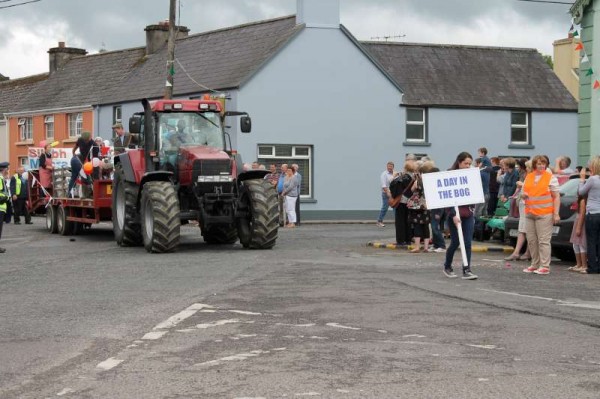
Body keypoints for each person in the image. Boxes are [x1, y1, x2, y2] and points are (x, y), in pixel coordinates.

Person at [521, 155, 561, 275]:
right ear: (534, 165)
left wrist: (556, 214)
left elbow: (556, 196)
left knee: (543, 241)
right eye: (539, 164)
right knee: (532, 240)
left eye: (544, 163)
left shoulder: (550, 178)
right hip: (530, 213)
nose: (542, 166)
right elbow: (525, 192)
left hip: (544, 213)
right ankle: (535, 264)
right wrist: (523, 196)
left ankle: (545, 266)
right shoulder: (529, 176)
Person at [443, 152, 478, 280]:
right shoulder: (450, 174)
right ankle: (447, 266)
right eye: (465, 163)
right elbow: (447, 197)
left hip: (467, 214)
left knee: (468, 242)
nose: (468, 166)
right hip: (455, 215)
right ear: (459, 162)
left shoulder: (471, 175)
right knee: (456, 242)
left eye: (469, 163)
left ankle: (467, 269)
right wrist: (452, 215)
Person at [505, 160, 532, 261]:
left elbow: (531, 190)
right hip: (522, 204)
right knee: (522, 229)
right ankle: (518, 252)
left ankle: (526, 253)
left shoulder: (533, 177)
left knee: (528, 230)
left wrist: (522, 185)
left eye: (528, 167)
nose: (526, 169)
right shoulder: (528, 176)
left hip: (528, 205)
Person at [578, 156, 600, 274]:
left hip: (592, 213)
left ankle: (592, 267)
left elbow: (581, 192)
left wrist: (582, 180)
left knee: (591, 241)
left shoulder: (593, 179)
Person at [406, 162, 433, 253]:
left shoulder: (417, 181)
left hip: (417, 207)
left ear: (421, 173)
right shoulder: (430, 182)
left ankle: (417, 247)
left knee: (417, 226)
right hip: (427, 207)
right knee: (426, 227)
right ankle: (426, 247)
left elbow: (412, 190)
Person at [394, 155, 417, 245]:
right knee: (408, 221)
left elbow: (395, 187)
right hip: (411, 202)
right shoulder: (415, 176)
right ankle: (408, 239)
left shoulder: (403, 177)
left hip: (402, 201)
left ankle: (400, 240)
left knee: (400, 221)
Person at [567, 193, 587, 273]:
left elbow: (582, 214)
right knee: (575, 244)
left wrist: (578, 227)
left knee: (581, 244)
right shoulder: (580, 201)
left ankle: (583, 265)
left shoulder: (582, 201)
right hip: (577, 223)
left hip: (580, 224)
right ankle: (579, 264)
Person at [429, 166, 446, 252]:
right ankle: (436, 245)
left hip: (438, 208)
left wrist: (439, 212)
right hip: (434, 208)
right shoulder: (435, 183)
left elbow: (440, 198)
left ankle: (442, 246)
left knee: (435, 228)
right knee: (433, 228)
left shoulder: (438, 184)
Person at [377, 161, 396, 227]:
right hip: (386, 193)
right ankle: (379, 221)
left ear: (393, 167)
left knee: (395, 207)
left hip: (394, 193)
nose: (390, 167)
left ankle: (398, 221)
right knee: (385, 207)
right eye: (388, 166)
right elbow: (384, 185)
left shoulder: (395, 174)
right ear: (387, 166)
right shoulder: (384, 174)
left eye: (391, 166)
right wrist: (388, 193)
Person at [0, 162, 10, 253]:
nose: (8, 171)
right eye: (7, 169)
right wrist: (5, 197)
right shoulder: (0, 179)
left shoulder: (2, 179)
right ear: (4, 169)